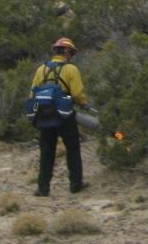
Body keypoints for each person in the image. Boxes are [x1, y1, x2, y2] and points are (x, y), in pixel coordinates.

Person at [29, 36, 88, 196]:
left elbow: (32, 92)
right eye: (72, 53)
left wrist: (34, 115)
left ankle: (43, 188)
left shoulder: (41, 70)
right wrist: (82, 103)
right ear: (67, 52)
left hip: (45, 115)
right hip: (65, 115)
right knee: (72, 148)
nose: (72, 56)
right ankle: (76, 184)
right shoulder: (71, 70)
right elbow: (76, 94)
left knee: (47, 151)